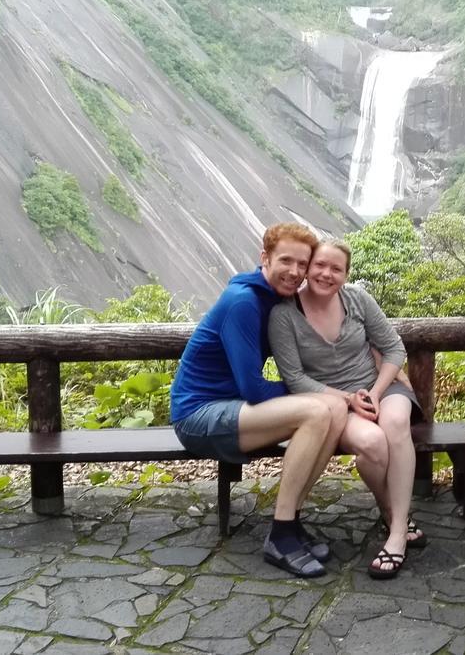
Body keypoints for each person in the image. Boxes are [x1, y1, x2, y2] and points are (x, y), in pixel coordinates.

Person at [170, 223, 351, 578]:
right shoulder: (244, 302)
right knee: (317, 411)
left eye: (303, 264)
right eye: (286, 261)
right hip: (198, 415)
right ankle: (281, 534)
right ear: (264, 258)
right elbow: (253, 388)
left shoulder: (274, 298)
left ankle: (292, 522)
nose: (295, 272)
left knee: (335, 408)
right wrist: (307, 390)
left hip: (233, 410)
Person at [268, 240, 425, 579]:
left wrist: (376, 392)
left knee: (396, 422)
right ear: (308, 268)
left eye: (336, 268)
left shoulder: (357, 299)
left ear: (346, 274)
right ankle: (390, 510)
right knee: (373, 444)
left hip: (382, 388)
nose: (327, 274)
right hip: (336, 404)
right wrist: (348, 399)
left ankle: (397, 533)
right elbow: (295, 378)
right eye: (320, 266)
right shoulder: (284, 315)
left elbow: (394, 349)